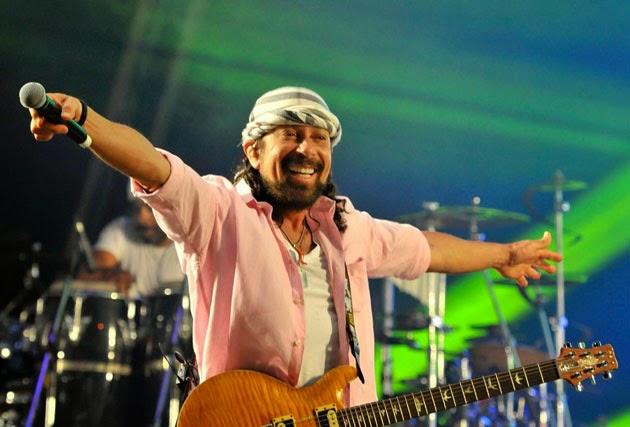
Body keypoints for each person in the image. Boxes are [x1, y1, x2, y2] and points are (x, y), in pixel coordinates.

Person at [27, 86, 562, 408]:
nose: (308, 148)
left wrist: (503, 256)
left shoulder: (347, 228)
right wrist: (83, 121)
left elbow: (424, 248)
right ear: (252, 150)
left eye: (319, 139)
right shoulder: (218, 212)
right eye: (291, 135)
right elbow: (152, 165)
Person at [77, 196, 185, 299]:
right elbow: (86, 275)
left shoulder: (191, 242)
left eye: (151, 208)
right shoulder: (121, 230)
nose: (142, 219)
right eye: (136, 209)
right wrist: (109, 275)